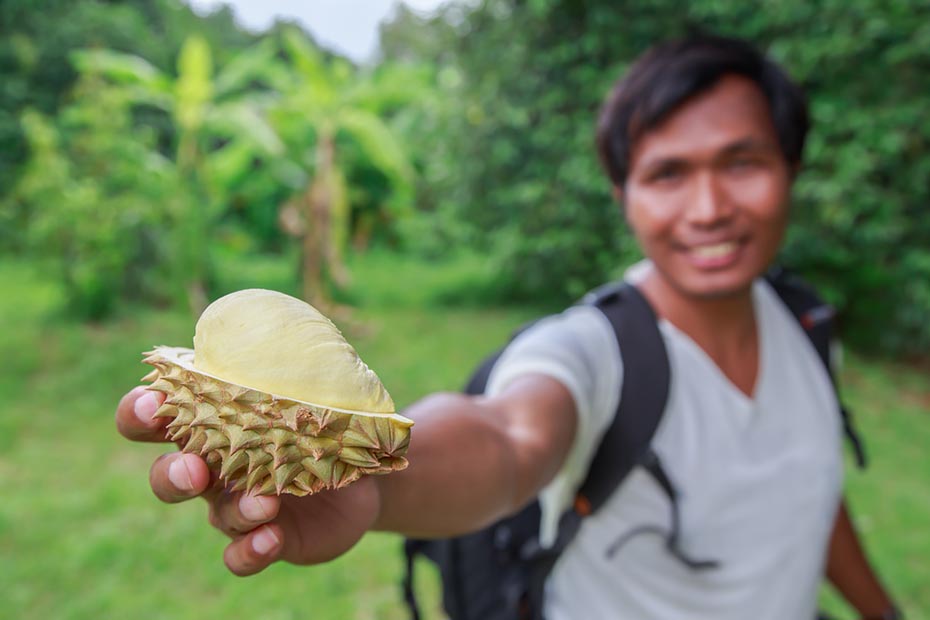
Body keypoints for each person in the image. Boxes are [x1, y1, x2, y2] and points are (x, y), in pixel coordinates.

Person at [116, 35, 901, 619]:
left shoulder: (804, 323)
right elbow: (506, 441)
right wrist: (376, 483)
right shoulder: (594, 347)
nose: (708, 209)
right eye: (667, 174)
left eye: (741, 162)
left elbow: (805, 494)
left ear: (791, 169)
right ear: (624, 195)